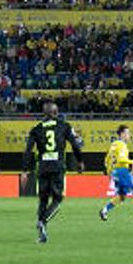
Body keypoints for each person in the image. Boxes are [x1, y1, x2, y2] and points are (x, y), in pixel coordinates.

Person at [23, 101, 84, 244]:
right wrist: (80, 161)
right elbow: (75, 145)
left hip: (43, 168)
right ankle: (42, 222)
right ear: (56, 113)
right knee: (57, 199)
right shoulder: (64, 126)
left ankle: (41, 234)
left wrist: (25, 170)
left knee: (43, 199)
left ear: (44, 114)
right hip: (58, 167)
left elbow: (28, 151)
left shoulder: (36, 129)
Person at [100, 125, 133, 222]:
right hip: (122, 171)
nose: (129, 136)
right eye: (127, 133)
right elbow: (121, 159)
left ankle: (104, 210)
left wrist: (110, 173)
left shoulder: (113, 145)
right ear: (122, 134)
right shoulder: (122, 145)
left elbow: (106, 160)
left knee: (122, 196)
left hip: (115, 172)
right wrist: (131, 162)